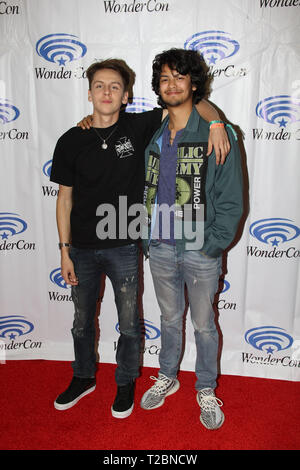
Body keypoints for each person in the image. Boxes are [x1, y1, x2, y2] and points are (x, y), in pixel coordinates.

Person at [50, 58, 230, 419]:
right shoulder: (71, 139)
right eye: (99, 85)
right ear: (89, 93)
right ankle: (83, 376)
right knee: (82, 320)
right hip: (82, 248)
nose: (106, 92)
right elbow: (64, 198)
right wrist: (65, 251)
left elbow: (186, 101)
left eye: (115, 86)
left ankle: (127, 380)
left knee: (131, 323)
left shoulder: (139, 125)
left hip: (125, 243)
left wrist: (215, 121)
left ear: (126, 95)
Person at [140, 48, 243, 430]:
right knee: (169, 319)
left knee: (203, 325)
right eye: (165, 78)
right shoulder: (153, 129)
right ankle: (167, 376)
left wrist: (213, 244)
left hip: (201, 249)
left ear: (194, 84)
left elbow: (232, 198)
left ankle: (205, 387)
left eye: (179, 77)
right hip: (161, 247)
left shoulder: (218, 133)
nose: (171, 84)